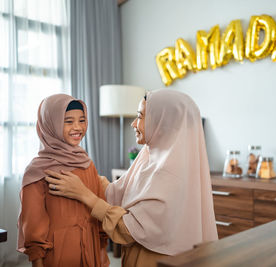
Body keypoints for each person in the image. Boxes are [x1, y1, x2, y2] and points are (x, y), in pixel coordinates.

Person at [45, 89, 218, 267]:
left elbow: (129, 229)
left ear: (164, 123)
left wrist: (84, 194)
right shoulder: (148, 156)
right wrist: (83, 174)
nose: (134, 124)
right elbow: (118, 191)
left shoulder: (170, 175)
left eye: (140, 116)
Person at [17, 94, 109, 267]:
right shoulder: (37, 171)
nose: (78, 127)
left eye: (82, 120)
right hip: (58, 254)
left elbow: (100, 215)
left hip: (91, 250)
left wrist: (102, 254)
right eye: (68, 121)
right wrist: (38, 262)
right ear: (51, 124)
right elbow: (33, 226)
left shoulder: (87, 164)